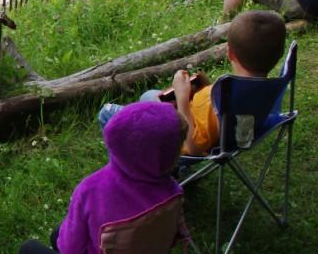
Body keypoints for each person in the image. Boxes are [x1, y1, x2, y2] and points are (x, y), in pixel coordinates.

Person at [17, 102, 185, 254]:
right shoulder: (173, 191)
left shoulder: (91, 189)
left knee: (28, 249)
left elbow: (69, 253)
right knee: (57, 234)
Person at [98, 11, 287, 156]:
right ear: (279, 55)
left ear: (230, 53)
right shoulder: (260, 91)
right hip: (219, 133)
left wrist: (181, 98)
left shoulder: (222, 95)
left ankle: (142, 170)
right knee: (149, 97)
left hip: (180, 137)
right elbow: (221, 114)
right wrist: (206, 88)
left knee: (107, 112)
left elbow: (193, 145)